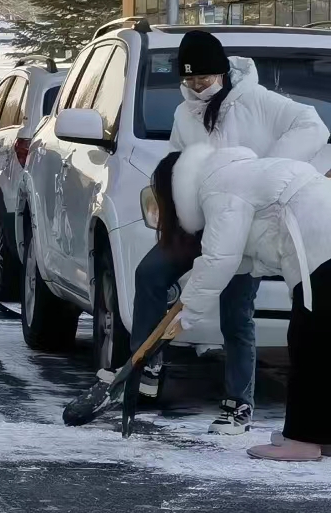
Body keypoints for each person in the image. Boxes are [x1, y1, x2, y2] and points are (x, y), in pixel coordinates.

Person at [129, 29, 328, 433]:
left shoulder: (257, 100)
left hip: (248, 220)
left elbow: (312, 127)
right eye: (189, 80)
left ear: (221, 72)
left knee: (235, 312)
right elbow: (176, 165)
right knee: (149, 272)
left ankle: (238, 402)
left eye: (203, 78)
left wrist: (265, 168)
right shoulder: (184, 115)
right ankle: (144, 364)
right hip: (202, 215)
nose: (197, 86)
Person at [152, 146, 331, 461]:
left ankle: (303, 440)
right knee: (321, 342)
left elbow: (219, 259)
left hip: (319, 240)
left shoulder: (218, 189)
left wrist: (184, 316)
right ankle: (320, 434)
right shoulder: (233, 173)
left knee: (309, 343)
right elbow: (243, 257)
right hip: (320, 231)